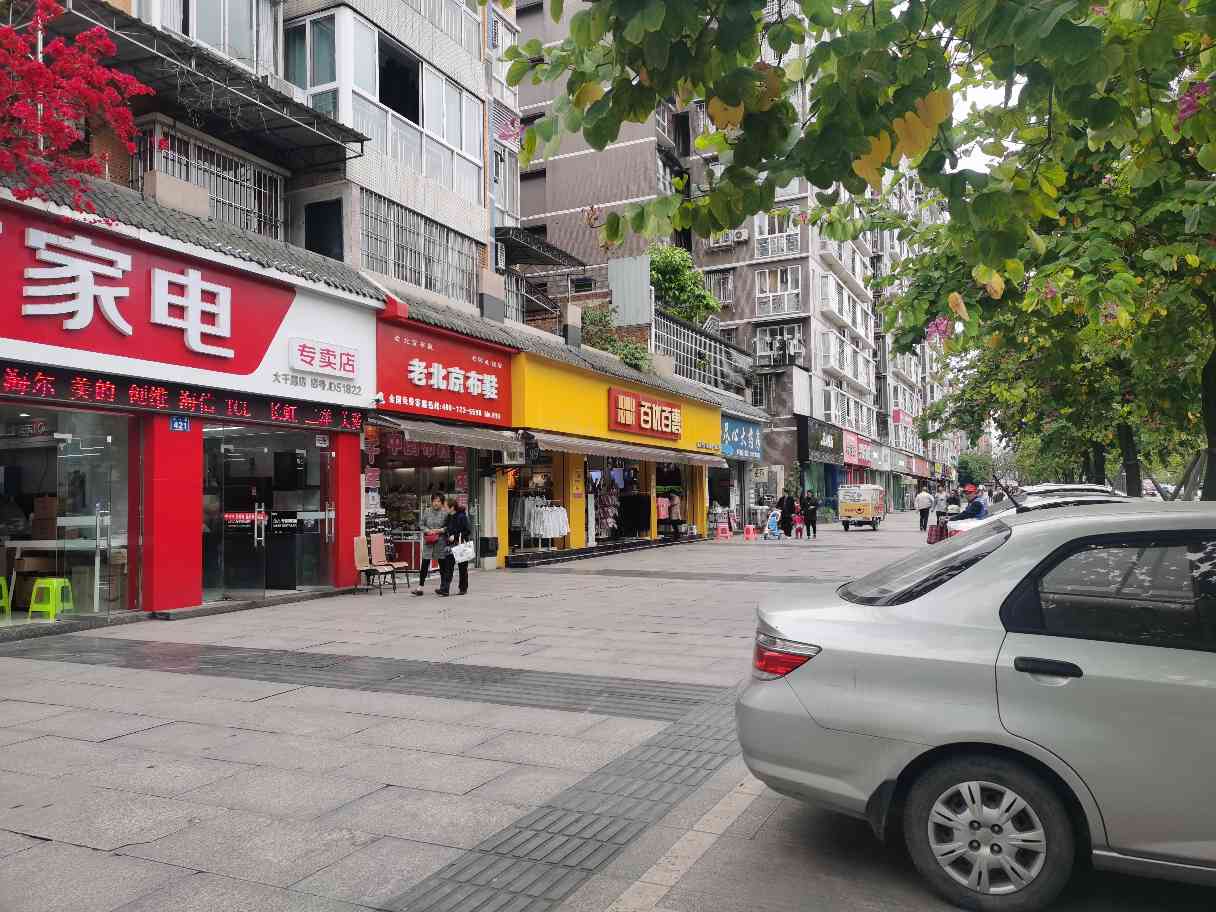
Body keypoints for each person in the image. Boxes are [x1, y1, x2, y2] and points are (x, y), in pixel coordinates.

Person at [413, 493, 448, 596]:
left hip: (440, 542)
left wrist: (439, 530)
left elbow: (448, 527)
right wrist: (427, 531)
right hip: (428, 542)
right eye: (434, 501)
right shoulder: (427, 511)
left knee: (442, 565)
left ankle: (443, 587)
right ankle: (420, 587)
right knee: (424, 564)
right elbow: (421, 524)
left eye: (438, 501)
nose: (436, 503)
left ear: (442, 503)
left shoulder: (445, 513)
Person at [436, 497, 472, 597]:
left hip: (461, 545)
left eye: (446, 506)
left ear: (452, 507)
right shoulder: (449, 517)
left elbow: (467, 531)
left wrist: (455, 536)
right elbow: (447, 529)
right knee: (448, 568)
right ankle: (445, 589)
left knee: (462, 568)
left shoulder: (462, 516)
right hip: (450, 546)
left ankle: (463, 588)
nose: (444, 508)